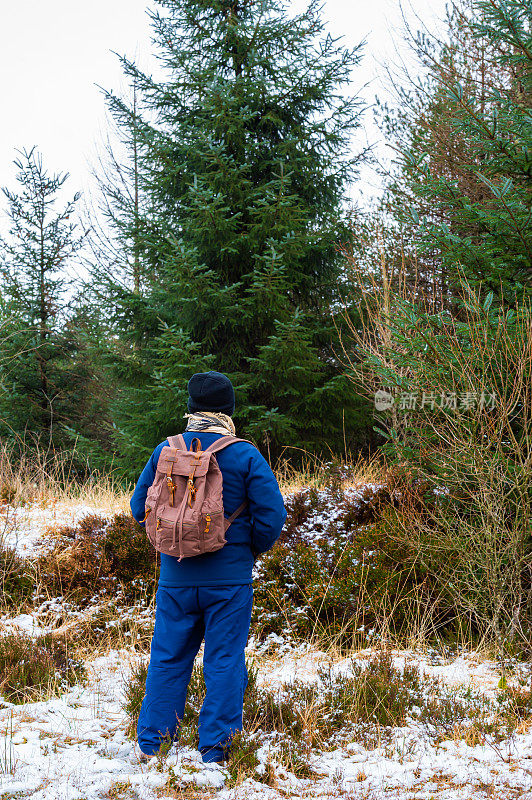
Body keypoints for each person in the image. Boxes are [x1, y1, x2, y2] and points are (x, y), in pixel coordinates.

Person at [130, 371, 287, 765]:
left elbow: (138, 510)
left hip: (175, 580)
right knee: (224, 660)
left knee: (167, 658)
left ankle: (153, 745)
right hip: (229, 582)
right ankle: (215, 750)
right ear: (228, 410)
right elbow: (273, 515)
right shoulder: (245, 454)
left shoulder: (165, 451)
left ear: (190, 408)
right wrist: (246, 551)